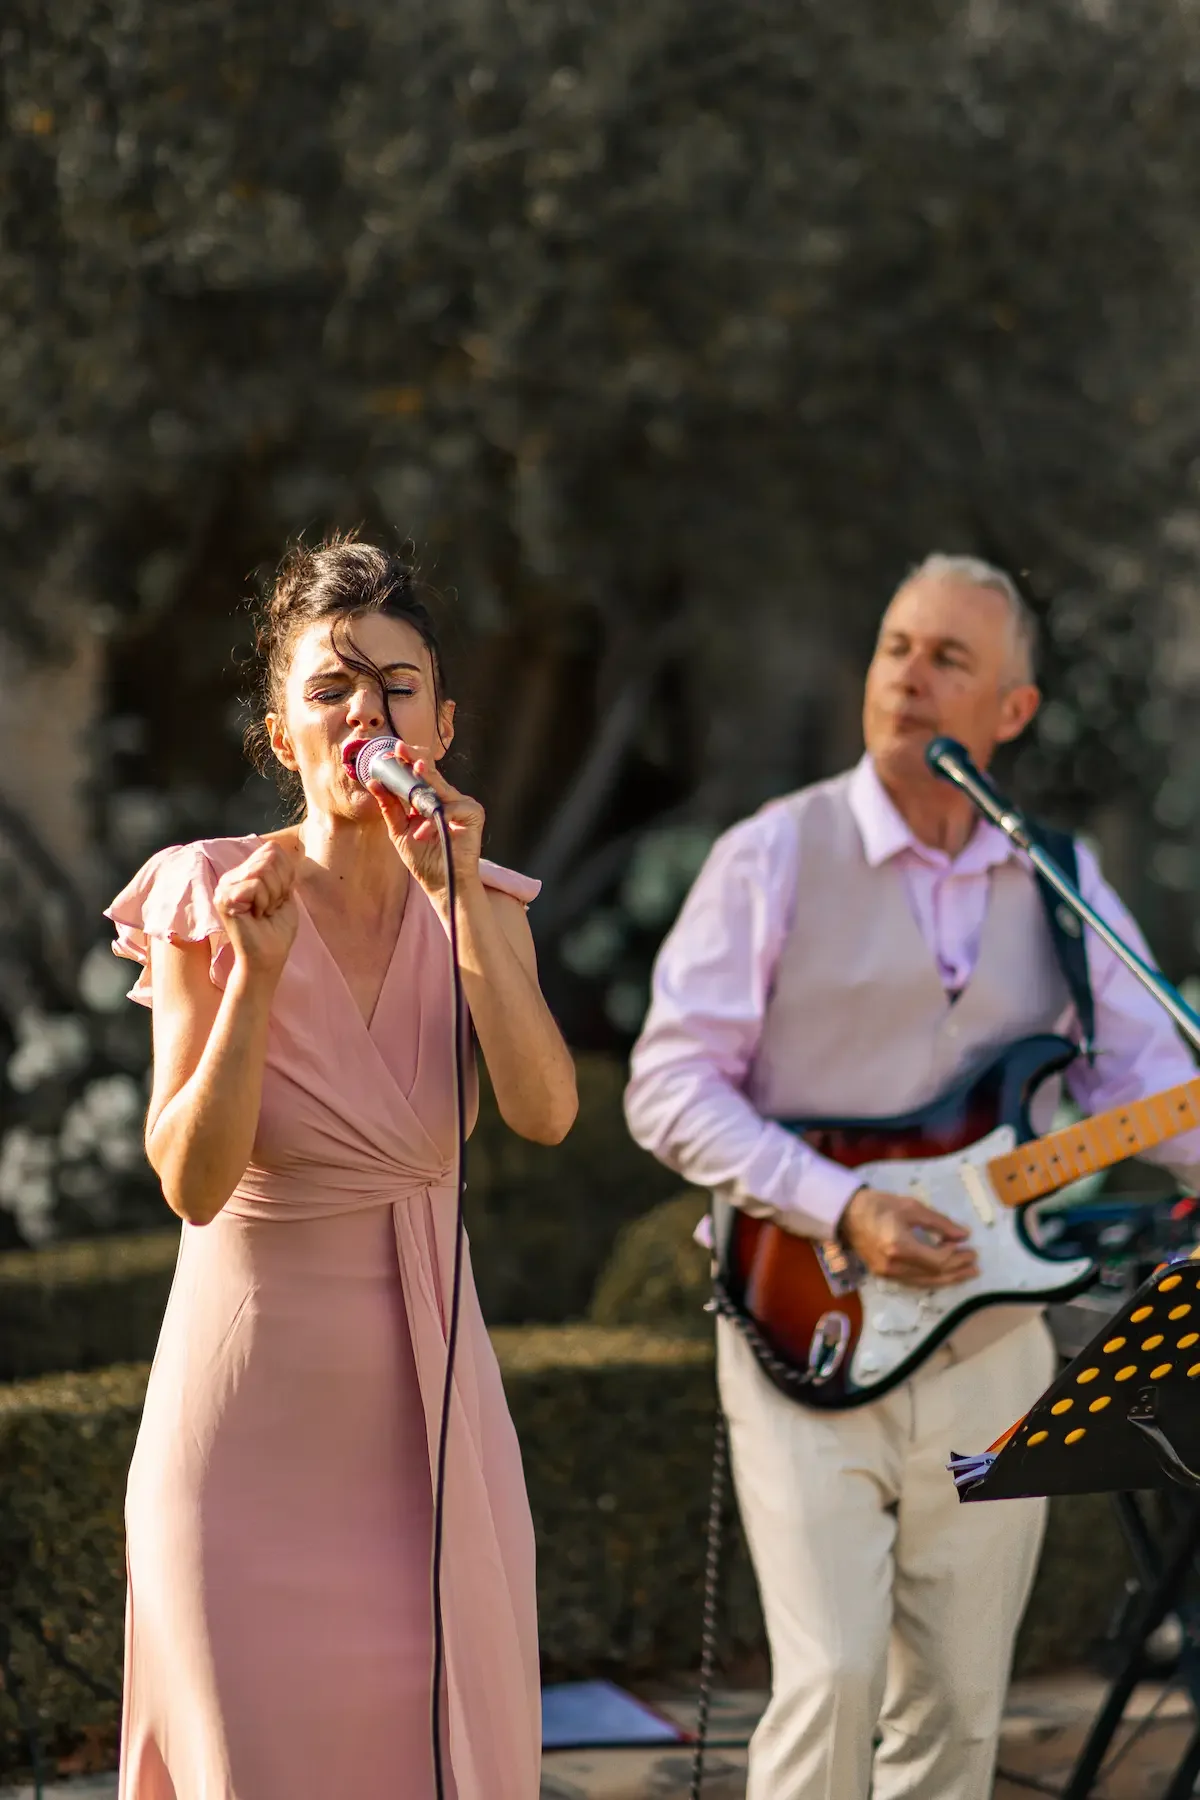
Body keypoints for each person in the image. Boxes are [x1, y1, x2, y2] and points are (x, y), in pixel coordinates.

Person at [624, 553, 1200, 1800]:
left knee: (958, 1710)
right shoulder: (774, 853)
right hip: (801, 1318)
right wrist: (841, 1204)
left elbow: (1153, 1089)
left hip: (992, 1348)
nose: (909, 677)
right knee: (831, 1679)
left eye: (949, 659)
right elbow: (665, 1085)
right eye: (896, 648)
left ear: (1012, 711)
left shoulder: (1062, 879)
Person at [106, 536, 577, 1800]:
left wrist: (458, 903)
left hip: (433, 1439)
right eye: (331, 688)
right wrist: (254, 985)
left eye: (398, 685)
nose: (367, 711)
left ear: (443, 724)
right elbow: (189, 1180)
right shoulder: (211, 892)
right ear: (283, 735)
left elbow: (545, 1112)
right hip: (243, 1455)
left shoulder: (487, 904)